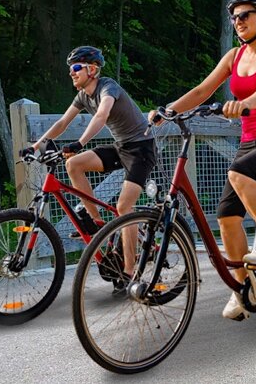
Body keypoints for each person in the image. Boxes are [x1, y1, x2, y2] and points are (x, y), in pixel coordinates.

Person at [150, 0, 256, 321]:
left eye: (245, 15)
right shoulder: (234, 57)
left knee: (239, 173)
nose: (238, 22)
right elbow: (202, 90)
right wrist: (167, 110)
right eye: (234, 17)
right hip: (252, 141)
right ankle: (244, 289)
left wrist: (244, 104)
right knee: (226, 216)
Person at [20, 46, 156, 288]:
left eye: (75, 68)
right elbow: (63, 122)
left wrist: (80, 142)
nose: (71, 73)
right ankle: (95, 222)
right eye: (70, 69)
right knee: (74, 164)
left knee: (124, 206)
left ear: (92, 70)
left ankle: (129, 271)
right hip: (121, 147)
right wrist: (36, 146)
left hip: (141, 149)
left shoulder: (107, 87)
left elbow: (102, 115)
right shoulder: (83, 95)